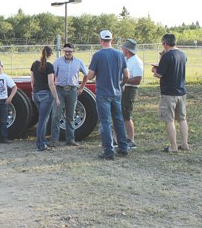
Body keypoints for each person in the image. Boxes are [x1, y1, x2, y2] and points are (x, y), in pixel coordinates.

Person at [87, 30, 130, 160]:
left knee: (105, 122)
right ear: (112, 40)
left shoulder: (97, 55)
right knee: (118, 120)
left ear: (101, 40)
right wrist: (121, 85)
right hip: (116, 93)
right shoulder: (120, 54)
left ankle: (108, 151)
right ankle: (123, 148)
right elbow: (127, 75)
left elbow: (90, 76)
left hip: (102, 93)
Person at [151, 33, 189, 153]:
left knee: (169, 120)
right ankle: (184, 144)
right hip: (181, 92)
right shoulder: (182, 54)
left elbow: (159, 74)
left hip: (169, 93)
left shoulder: (167, 56)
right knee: (182, 119)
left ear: (165, 43)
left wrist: (154, 69)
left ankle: (173, 147)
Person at [51, 43, 88, 147]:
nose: (67, 53)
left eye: (70, 51)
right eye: (66, 51)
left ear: (73, 51)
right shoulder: (57, 62)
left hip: (72, 90)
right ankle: (54, 140)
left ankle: (70, 140)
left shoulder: (79, 62)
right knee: (56, 115)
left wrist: (81, 88)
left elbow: (86, 75)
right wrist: (53, 88)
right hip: (59, 90)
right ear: (63, 51)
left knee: (70, 116)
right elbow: (52, 76)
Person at [30, 46, 60, 151]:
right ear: (50, 55)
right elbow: (51, 83)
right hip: (46, 95)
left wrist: (33, 92)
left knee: (42, 119)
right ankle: (40, 144)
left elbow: (32, 81)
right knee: (43, 121)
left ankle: (41, 141)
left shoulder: (34, 64)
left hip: (36, 94)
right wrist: (56, 98)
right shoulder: (49, 66)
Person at [119, 39, 143, 148]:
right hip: (124, 88)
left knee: (127, 115)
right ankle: (117, 138)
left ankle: (131, 139)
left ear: (127, 50)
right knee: (120, 113)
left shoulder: (136, 62)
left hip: (130, 90)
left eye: (123, 48)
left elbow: (137, 80)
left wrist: (124, 80)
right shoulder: (126, 60)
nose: (122, 49)